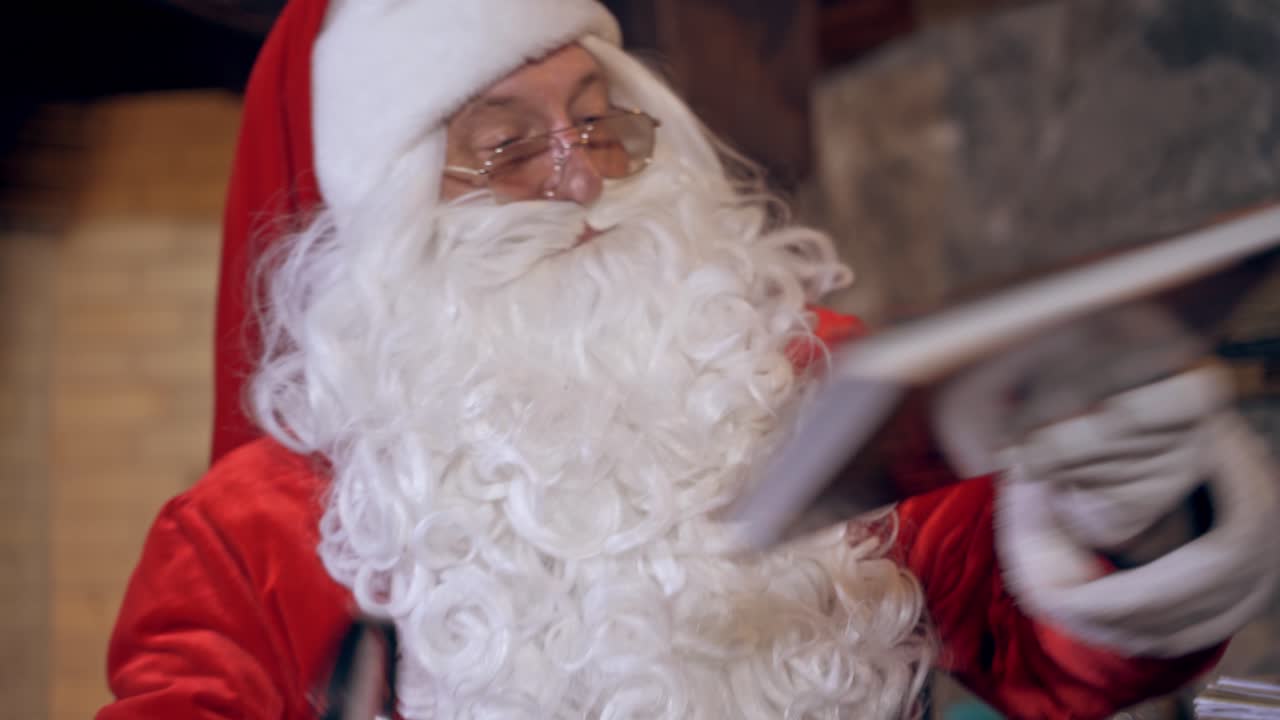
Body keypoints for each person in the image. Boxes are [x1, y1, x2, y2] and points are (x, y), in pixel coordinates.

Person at [99, 0, 1280, 718]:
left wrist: (1117, 515)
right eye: (507, 148)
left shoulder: (816, 386)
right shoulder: (250, 535)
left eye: (598, 119)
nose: (582, 180)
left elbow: (1053, 659)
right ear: (399, 213)